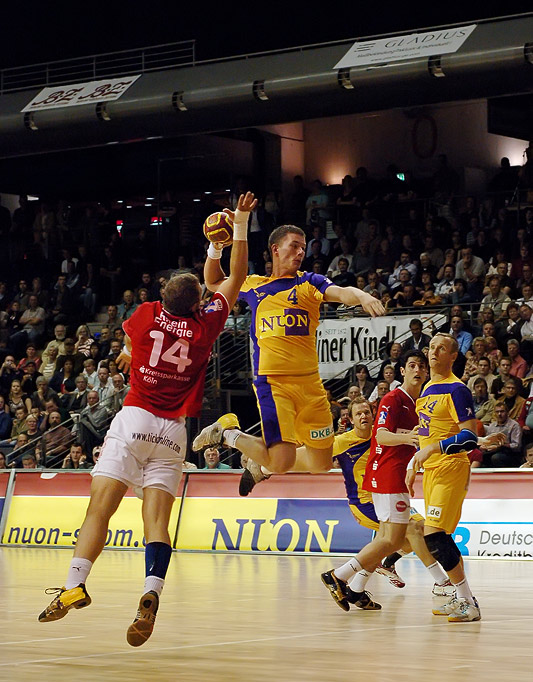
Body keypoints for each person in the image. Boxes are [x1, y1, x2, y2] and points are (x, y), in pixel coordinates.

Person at [38, 191, 257, 647]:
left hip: (134, 418)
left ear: (164, 297)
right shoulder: (206, 325)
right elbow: (235, 277)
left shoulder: (143, 315)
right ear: (200, 303)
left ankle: (76, 582)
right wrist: (233, 228)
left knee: (100, 509)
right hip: (174, 431)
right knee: (156, 523)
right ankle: (150, 591)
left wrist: (125, 350)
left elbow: (144, 329)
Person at [192, 223, 384, 495]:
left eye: (303, 248)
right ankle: (227, 433)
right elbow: (213, 282)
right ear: (275, 249)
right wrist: (216, 248)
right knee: (283, 460)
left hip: (310, 386)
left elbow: (342, 293)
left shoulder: (310, 282)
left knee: (320, 464)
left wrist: (362, 295)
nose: (300, 252)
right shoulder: (255, 286)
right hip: (274, 383)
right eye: (294, 246)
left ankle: (261, 467)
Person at [321, 353, 452, 612]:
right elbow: (382, 437)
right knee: (407, 534)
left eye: (422, 367)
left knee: (395, 539)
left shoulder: (419, 403)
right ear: (402, 371)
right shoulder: (391, 401)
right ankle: (441, 583)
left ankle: (355, 587)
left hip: (393, 479)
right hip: (377, 485)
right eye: (412, 366)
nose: (418, 370)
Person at [406, 333, 505, 622]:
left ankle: (466, 601)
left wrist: (435, 449)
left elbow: (466, 434)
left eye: (442, 349)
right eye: (431, 348)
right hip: (431, 471)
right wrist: (416, 461)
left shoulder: (457, 389)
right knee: (440, 537)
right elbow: (439, 431)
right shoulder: (426, 388)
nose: (434, 352)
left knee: (434, 536)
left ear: (453, 357)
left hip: (450, 468)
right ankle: (460, 598)